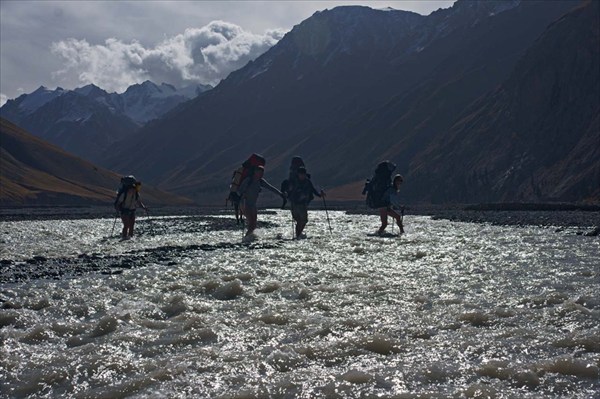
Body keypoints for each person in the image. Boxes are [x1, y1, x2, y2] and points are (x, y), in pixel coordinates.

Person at [237, 165, 284, 239]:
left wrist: (280, 194)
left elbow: (270, 187)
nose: (261, 174)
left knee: (254, 224)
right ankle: (247, 238)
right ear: (255, 172)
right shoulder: (248, 180)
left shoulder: (261, 181)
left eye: (262, 173)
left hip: (253, 204)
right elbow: (239, 191)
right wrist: (243, 195)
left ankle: (248, 237)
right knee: (251, 222)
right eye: (260, 173)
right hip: (244, 203)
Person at [288, 166, 325, 239]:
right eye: (301, 174)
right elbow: (290, 191)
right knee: (299, 220)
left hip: (302, 204)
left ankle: (298, 235)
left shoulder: (307, 182)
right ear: (298, 174)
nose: (302, 176)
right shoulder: (294, 182)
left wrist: (320, 195)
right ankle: (298, 235)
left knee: (304, 221)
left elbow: (313, 190)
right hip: (294, 204)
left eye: (303, 174)